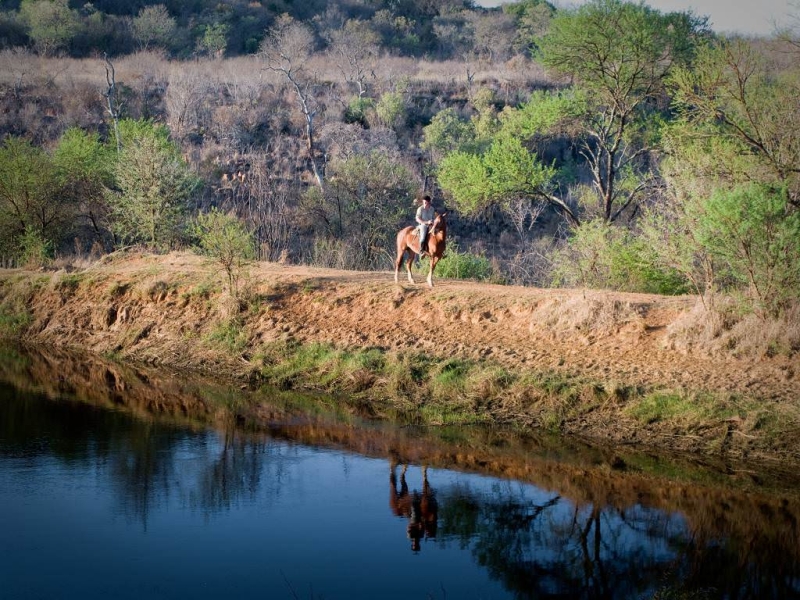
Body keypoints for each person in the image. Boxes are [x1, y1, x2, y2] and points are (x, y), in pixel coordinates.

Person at [415, 194, 435, 259]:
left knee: (439, 233)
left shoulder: (432, 209)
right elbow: (417, 219)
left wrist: (432, 222)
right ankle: (421, 251)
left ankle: (441, 250)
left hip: (431, 224)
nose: (425, 204)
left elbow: (433, 217)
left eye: (426, 202)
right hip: (423, 225)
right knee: (423, 237)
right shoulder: (420, 209)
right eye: (424, 202)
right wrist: (426, 222)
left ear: (429, 202)